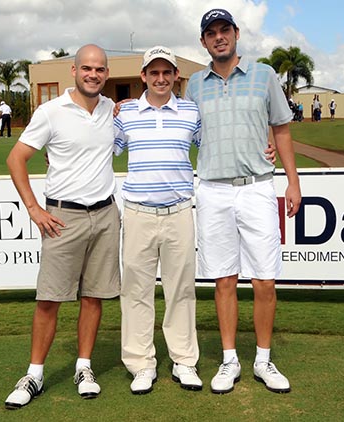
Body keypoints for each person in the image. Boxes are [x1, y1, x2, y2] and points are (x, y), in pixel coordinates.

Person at [185, 8, 301, 395]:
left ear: (236, 34)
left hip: (257, 187)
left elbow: (281, 130)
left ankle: (264, 360)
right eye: (211, 33)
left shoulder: (264, 75)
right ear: (203, 41)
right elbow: (184, 132)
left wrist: (292, 182)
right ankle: (230, 359)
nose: (219, 37)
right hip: (213, 190)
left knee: (265, 279)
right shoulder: (195, 85)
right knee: (224, 280)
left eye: (225, 30)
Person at [3, 44, 121, 409]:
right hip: (62, 218)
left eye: (99, 69)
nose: (93, 74)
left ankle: (83, 367)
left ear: (106, 73)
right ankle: (34, 374)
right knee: (49, 300)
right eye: (86, 68)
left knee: (94, 296)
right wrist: (35, 209)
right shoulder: (51, 111)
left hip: (104, 215)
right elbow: (16, 159)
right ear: (74, 71)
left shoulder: (109, 111)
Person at [114, 46, 202, 395]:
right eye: (154, 73)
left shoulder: (191, 112)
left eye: (167, 73)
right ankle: (141, 363)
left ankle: (184, 361)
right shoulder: (127, 113)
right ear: (144, 77)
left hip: (180, 211)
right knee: (136, 291)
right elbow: (103, 147)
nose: (161, 79)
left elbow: (210, 146)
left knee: (181, 289)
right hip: (138, 213)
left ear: (176, 77)